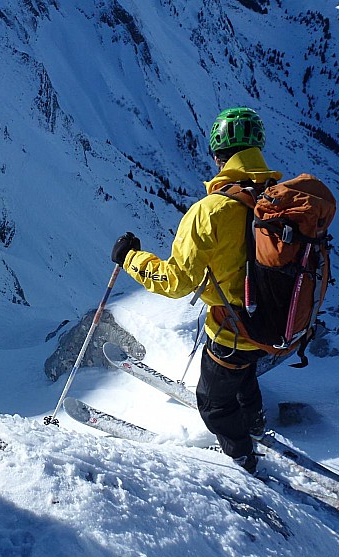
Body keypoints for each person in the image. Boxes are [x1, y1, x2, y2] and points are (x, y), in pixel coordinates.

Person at [110, 107, 282, 475]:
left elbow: (176, 282)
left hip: (233, 329)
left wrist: (130, 258)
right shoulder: (276, 198)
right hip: (273, 321)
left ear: (219, 156)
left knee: (213, 404)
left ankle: (242, 457)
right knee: (243, 370)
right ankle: (254, 422)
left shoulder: (211, 211)